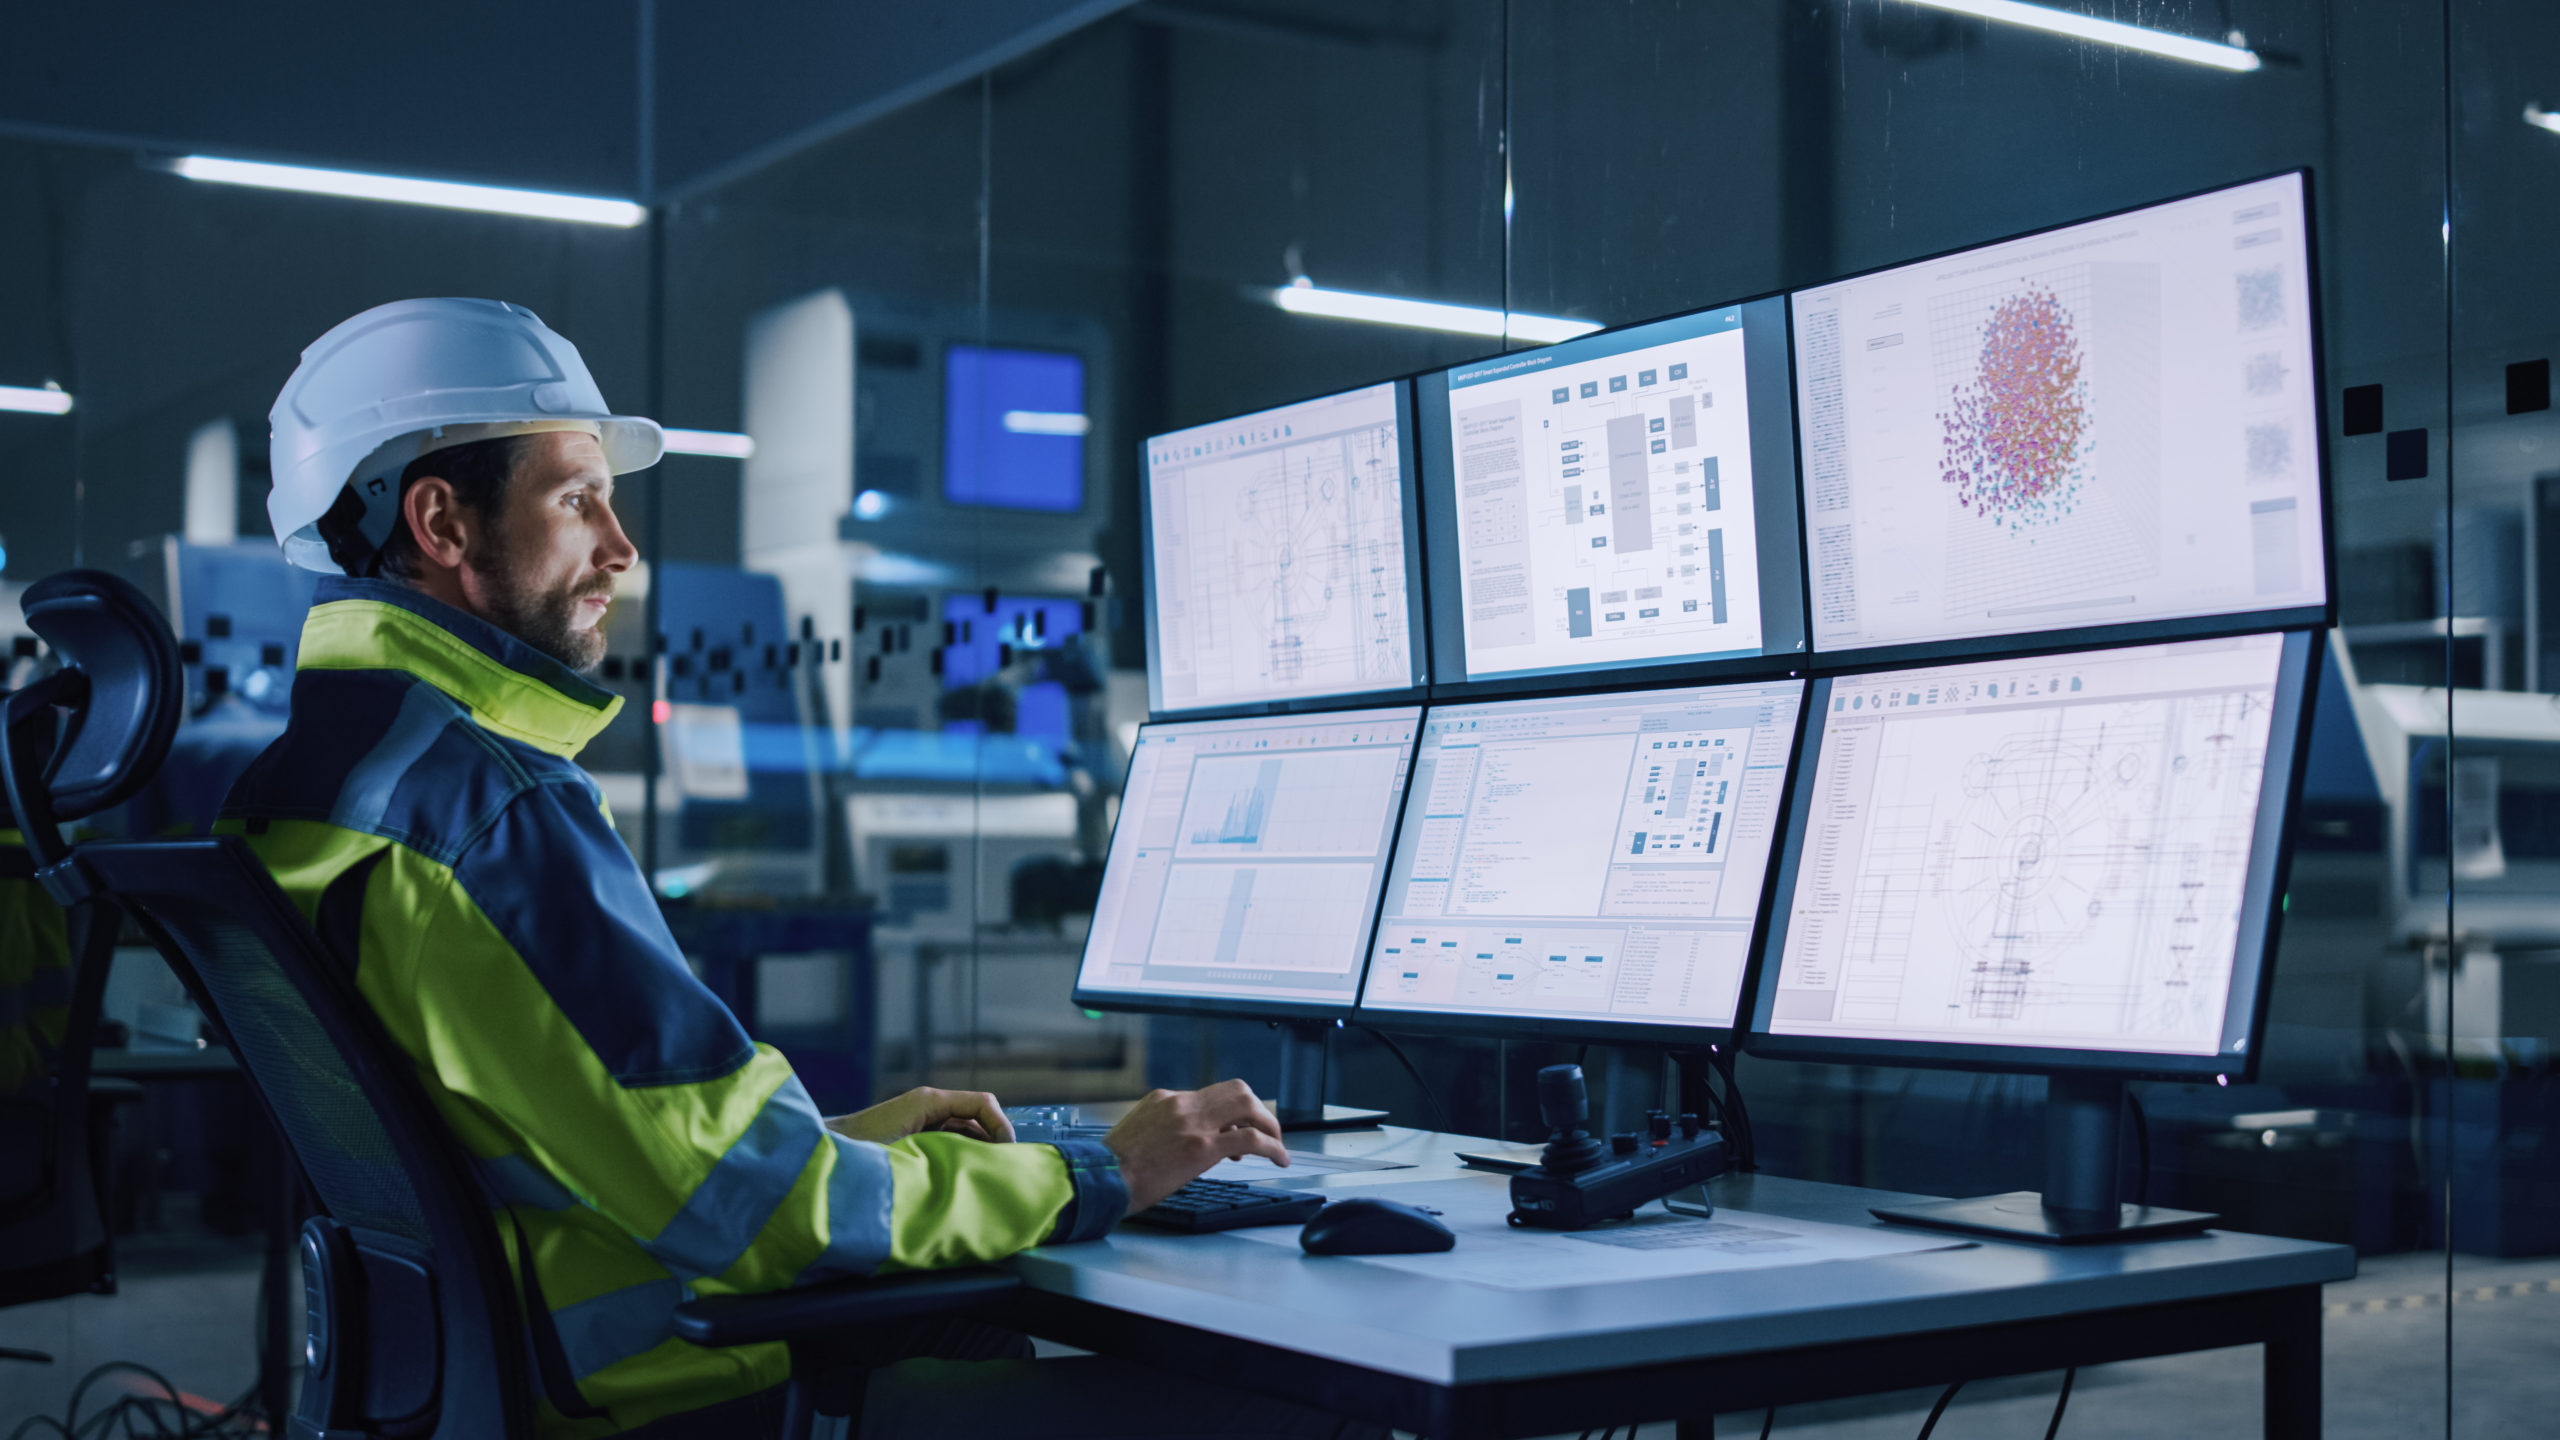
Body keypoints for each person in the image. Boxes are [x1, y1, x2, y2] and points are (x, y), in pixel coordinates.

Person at [237, 299, 1364, 1439]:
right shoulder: (488, 815)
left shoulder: (308, 791)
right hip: (672, 1391)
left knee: (970, 1326)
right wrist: (1100, 1171)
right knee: (1292, 1405)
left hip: (485, 1376)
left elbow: (567, 1144)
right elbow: (753, 1211)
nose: (621, 547)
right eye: (576, 498)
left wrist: (848, 1143)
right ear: (441, 521)